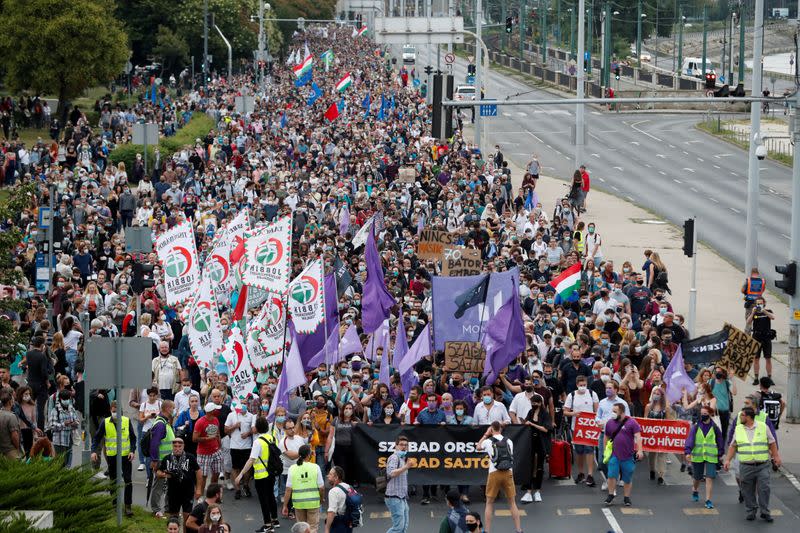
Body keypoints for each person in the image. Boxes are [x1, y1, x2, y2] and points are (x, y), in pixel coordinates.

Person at [723, 407, 782, 522]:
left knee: (764, 488)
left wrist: (776, 457)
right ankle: (751, 510)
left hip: (762, 465)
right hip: (745, 465)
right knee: (747, 490)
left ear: (749, 417)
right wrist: (727, 460)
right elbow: (733, 446)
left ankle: (765, 512)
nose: (740, 417)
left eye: (742, 415)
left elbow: (772, 442)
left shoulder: (763, 427)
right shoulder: (738, 429)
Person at [91, 400, 136, 516]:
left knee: (127, 481)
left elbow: (133, 438)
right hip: (112, 457)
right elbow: (96, 438)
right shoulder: (105, 422)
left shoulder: (126, 421)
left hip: (126, 456)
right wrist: (94, 451)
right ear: (111, 410)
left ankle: (128, 506)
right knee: (113, 481)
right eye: (113, 411)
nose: (115, 413)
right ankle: (115, 505)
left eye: (117, 411)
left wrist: (132, 451)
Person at [477, 421, 523, 533]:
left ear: (491, 429)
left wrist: (486, 434)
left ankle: (487, 530)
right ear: (501, 429)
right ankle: (519, 529)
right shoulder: (509, 441)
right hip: (508, 473)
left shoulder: (488, 441)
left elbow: (478, 447)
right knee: (512, 502)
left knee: (489, 502)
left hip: (494, 473)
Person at [236, 415, 279, 533]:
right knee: (271, 496)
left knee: (264, 500)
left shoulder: (258, 442)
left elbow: (251, 460)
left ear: (257, 429)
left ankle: (267, 525)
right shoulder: (272, 438)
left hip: (261, 475)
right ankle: (275, 520)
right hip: (271, 473)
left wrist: (241, 474)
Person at [603, 402, 643, 507]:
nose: (613, 413)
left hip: (628, 456)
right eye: (612, 411)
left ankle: (626, 497)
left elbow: (638, 437)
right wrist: (605, 450)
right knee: (611, 475)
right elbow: (606, 437)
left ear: (622, 412)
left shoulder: (632, 422)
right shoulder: (610, 423)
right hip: (614, 455)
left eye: (615, 411)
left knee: (627, 478)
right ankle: (611, 495)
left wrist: (639, 450)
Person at [684, 405, 723, 509]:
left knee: (709, 478)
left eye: (705, 414)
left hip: (711, 456)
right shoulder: (696, 427)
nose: (703, 416)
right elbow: (690, 439)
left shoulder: (715, 427)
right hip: (698, 455)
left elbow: (720, 441)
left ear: (710, 414)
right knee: (697, 477)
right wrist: (688, 452)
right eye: (702, 414)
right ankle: (695, 489)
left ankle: (708, 500)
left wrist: (720, 454)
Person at [563, 375, 598, 486]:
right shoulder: (571, 396)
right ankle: (581, 473)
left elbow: (597, 411)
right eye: (580, 385)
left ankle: (590, 474)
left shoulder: (592, 394)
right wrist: (574, 413)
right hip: (577, 427)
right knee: (579, 451)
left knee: (589, 450)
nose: (583, 387)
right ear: (577, 385)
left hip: (589, 427)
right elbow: (565, 412)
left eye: (584, 385)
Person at [157, 437, 202, 524]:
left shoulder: (190, 457)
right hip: (173, 492)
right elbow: (159, 471)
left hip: (188, 491)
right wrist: (161, 474)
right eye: (175, 446)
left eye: (179, 446)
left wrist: (199, 489)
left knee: (187, 517)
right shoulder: (167, 458)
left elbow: (198, 471)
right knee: (173, 518)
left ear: (183, 446)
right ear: (172, 447)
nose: (177, 449)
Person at [282, 444, 324, 533]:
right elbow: (321, 488)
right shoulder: (315, 467)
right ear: (309, 455)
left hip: (298, 503)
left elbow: (288, 490)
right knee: (312, 528)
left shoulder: (292, 469)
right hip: (313, 502)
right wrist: (321, 499)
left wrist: (285, 505)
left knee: (301, 529)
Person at [520, 393, 552, 503]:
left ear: (540, 403)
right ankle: (528, 491)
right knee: (529, 467)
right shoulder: (530, 412)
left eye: (535, 403)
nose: (533, 405)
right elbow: (526, 423)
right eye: (532, 403)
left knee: (539, 468)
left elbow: (546, 429)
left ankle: (537, 491)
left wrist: (533, 425)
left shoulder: (545, 414)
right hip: (530, 443)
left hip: (541, 443)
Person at [149, 400, 176, 518]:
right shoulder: (160, 424)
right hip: (161, 460)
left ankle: (168, 509)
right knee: (159, 485)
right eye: (173, 408)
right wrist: (155, 460)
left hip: (168, 459)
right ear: (167, 409)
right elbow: (154, 443)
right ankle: (156, 510)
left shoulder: (165, 422)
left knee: (169, 485)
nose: (174, 411)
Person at [225, 399, 255, 499]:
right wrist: (235, 426)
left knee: (247, 468)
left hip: (247, 446)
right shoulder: (231, 415)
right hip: (235, 446)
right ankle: (237, 489)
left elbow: (254, 429)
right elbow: (225, 430)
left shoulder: (251, 416)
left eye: (245, 403)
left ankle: (246, 485)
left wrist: (248, 433)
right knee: (235, 468)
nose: (243, 405)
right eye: (241, 403)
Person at [384, 434, 415, 533]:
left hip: (402, 498)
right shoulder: (394, 457)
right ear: (396, 446)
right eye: (401, 444)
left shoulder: (403, 459)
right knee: (398, 528)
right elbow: (391, 473)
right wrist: (406, 467)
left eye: (406, 445)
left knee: (403, 527)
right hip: (394, 497)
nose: (404, 447)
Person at [193, 402, 223, 496]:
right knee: (203, 476)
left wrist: (219, 443)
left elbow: (218, 433)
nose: (217, 411)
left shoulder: (215, 419)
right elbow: (194, 439)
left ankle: (212, 495)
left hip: (216, 451)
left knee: (216, 473)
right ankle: (200, 496)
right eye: (216, 409)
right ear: (211, 411)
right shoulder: (200, 422)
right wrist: (207, 439)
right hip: (204, 453)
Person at [46, 388, 79, 467]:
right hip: (59, 441)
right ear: (60, 399)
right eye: (64, 399)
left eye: (68, 399)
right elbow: (52, 426)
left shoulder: (72, 409)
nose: (66, 400)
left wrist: (74, 423)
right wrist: (64, 424)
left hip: (69, 439)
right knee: (60, 462)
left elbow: (77, 421)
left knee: (67, 462)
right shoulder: (55, 410)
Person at [747, 296, 774, 384]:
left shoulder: (768, 311)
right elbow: (748, 322)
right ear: (756, 304)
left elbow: (772, 317)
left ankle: (769, 377)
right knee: (756, 359)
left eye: (761, 303)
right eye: (758, 303)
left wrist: (764, 311)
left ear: (764, 303)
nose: (759, 305)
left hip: (766, 337)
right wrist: (753, 312)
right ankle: (756, 378)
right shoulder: (754, 312)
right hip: (757, 337)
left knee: (768, 358)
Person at [324, 465, 354, 533]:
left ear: (336, 477)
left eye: (330, 474)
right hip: (348, 523)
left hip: (338, 524)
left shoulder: (333, 491)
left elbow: (331, 512)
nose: (327, 476)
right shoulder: (349, 487)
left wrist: (327, 528)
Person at [741, 267, 766, 333]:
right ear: (758, 273)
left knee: (749, 320)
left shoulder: (748, 280)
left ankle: (747, 336)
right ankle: (758, 335)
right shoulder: (763, 281)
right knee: (759, 319)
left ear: (751, 273)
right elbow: (763, 290)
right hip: (759, 303)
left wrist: (746, 293)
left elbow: (742, 290)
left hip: (750, 302)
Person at [0, 388, 21, 459]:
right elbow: (14, 435)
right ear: (10, 402)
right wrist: (17, 448)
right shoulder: (11, 416)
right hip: (10, 451)